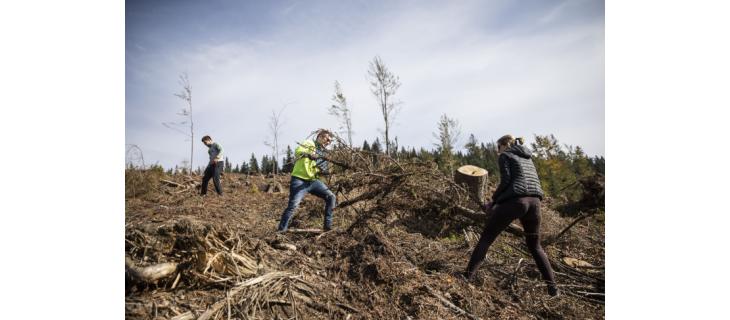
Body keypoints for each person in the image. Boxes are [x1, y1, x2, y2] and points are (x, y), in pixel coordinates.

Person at [464, 135, 559, 297]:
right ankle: (553, 290)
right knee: (535, 246)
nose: (497, 151)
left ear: (503, 146)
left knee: (486, 238)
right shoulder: (528, 158)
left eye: (498, 147)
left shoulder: (505, 156)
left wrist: (493, 202)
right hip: (535, 203)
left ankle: (466, 278)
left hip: (516, 202)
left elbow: (506, 181)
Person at [277, 130, 336, 232]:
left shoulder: (322, 152)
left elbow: (319, 169)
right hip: (299, 179)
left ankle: (328, 227)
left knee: (331, 196)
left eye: (330, 141)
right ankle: (280, 231)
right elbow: (298, 151)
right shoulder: (309, 143)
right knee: (293, 206)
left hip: (313, 181)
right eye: (327, 139)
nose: (328, 142)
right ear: (321, 136)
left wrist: (323, 171)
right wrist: (308, 154)